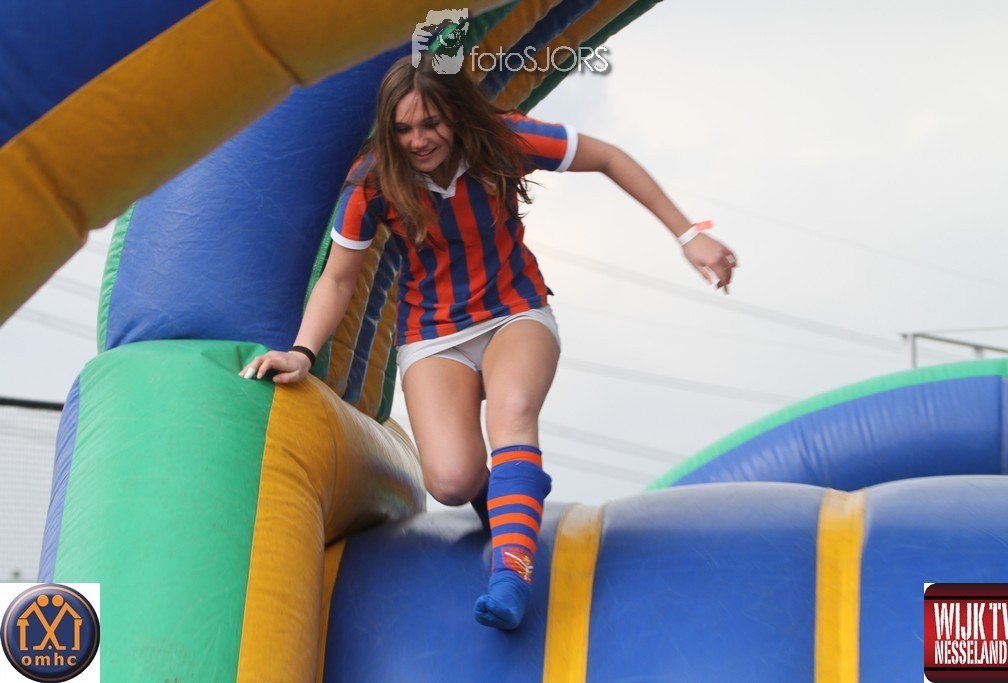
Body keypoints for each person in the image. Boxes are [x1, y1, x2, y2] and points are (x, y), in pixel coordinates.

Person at [240, 55, 737, 630]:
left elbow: (608, 157)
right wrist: (301, 352)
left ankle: (510, 576)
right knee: (451, 481)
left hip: (514, 312)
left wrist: (689, 234)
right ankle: (508, 500)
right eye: (404, 129)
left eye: (431, 123)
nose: (419, 140)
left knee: (512, 414)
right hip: (433, 333)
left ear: (455, 114)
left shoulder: (504, 140)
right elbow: (338, 279)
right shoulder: (372, 181)